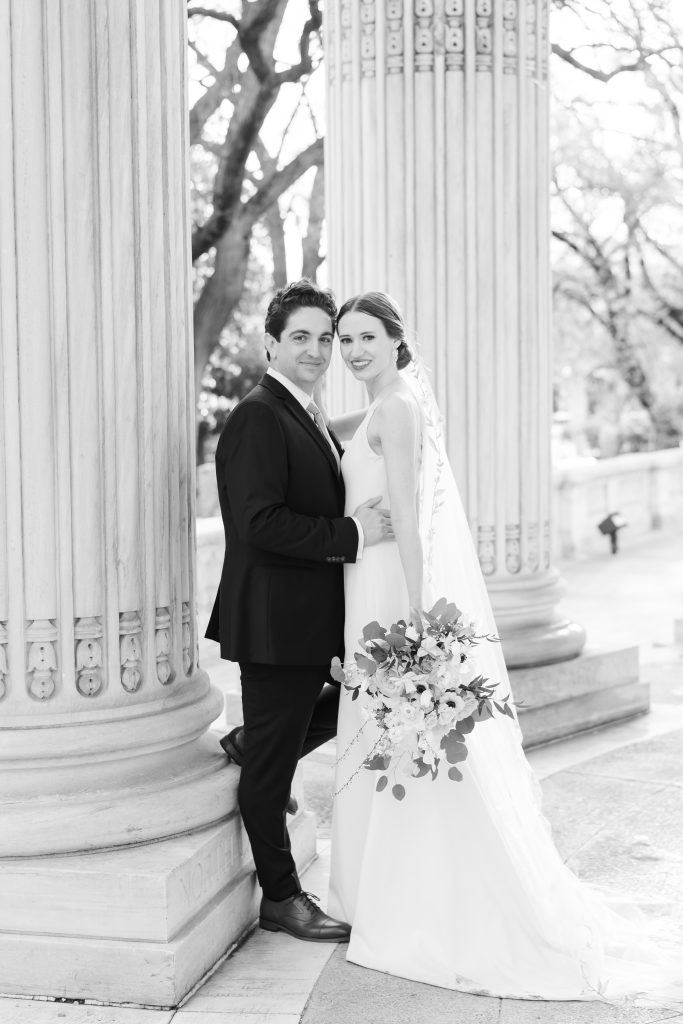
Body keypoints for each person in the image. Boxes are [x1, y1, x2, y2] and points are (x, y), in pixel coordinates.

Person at [325, 290, 681, 1002]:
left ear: (397, 340)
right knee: (387, 742)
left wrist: (422, 627)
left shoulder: (394, 408)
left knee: (398, 740)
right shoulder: (387, 401)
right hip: (368, 586)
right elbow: (324, 428)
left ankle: (405, 895)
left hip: (390, 592)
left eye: (366, 336)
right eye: (342, 339)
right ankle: (379, 884)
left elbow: (410, 517)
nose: (352, 349)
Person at [205, 280, 393, 943]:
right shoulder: (259, 415)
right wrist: (353, 534)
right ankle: (281, 898)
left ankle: (251, 742)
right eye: (301, 338)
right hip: (274, 622)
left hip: (306, 619)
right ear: (270, 344)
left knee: (350, 709)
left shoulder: (301, 412)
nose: (316, 350)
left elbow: (320, 464)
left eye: (326, 338)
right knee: (270, 771)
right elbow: (259, 523)